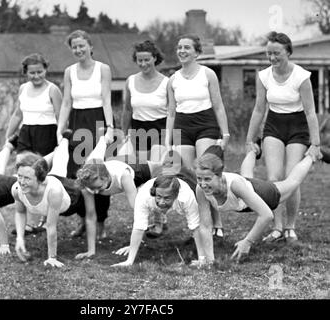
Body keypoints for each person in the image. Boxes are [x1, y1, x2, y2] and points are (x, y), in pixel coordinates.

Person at [245, 31, 322, 243]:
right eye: (268, 53)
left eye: (276, 53)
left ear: (288, 51)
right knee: (274, 178)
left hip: (298, 127)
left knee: (291, 178)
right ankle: (277, 227)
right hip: (274, 126)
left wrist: (315, 144)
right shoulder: (263, 76)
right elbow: (259, 110)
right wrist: (250, 139)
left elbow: (310, 112)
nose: (272, 58)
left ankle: (290, 226)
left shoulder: (301, 76)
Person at [195, 144, 330, 265]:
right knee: (246, 175)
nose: (202, 184)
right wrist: (209, 261)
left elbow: (266, 215)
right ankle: (255, 148)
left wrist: (248, 241)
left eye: (207, 179)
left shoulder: (235, 186)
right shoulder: (201, 188)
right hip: (246, 190)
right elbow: (205, 226)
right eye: (199, 178)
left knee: (292, 183)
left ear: (219, 175)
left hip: (263, 194)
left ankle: (314, 155)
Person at [56, 30, 114, 236]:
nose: (78, 50)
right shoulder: (69, 71)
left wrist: (110, 128)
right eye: (74, 47)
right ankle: (83, 221)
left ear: (90, 46)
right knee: (77, 174)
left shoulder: (103, 69)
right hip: (77, 122)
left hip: (99, 122)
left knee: (98, 172)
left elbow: (107, 99)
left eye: (82, 45)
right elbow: (66, 103)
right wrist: (60, 128)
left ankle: (100, 223)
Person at [12, 136, 99, 267]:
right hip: (52, 181)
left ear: (40, 179)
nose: (22, 182)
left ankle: (71, 142)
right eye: (20, 176)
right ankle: (64, 140)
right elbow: (19, 212)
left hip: (71, 195)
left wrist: (52, 257)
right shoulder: (17, 189)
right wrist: (20, 238)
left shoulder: (54, 191)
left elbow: (51, 226)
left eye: (27, 178)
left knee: (71, 176)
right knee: (59, 166)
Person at [5, 53, 62, 231]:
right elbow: (17, 114)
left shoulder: (53, 89)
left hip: (47, 133)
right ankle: (28, 221)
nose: (36, 76)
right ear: (26, 73)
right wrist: (8, 135)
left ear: (46, 70)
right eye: (32, 73)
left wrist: (61, 139)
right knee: (22, 176)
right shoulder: (23, 88)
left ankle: (45, 220)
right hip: (26, 133)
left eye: (40, 72)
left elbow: (61, 116)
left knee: (42, 176)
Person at [165, 34, 230, 169]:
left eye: (187, 47)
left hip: (206, 124)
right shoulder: (172, 79)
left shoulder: (208, 74)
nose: (182, 51)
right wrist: (167, 141)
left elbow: (218, 106)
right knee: (186, 172)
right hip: (181, 126)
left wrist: (225, 134)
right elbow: (171, 113)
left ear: (197, 53)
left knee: (204, 167)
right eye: (179, 47)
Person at [111, 174, 203, 267]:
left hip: (187, 188)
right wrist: (129, 261)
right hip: (151, 197)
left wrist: (201, 259)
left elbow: (195, 226)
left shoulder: (186, 197)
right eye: (159, 197)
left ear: (176, 196)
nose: (161, 202)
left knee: (200, 219)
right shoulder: (144, 196)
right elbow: (139, 226)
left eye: (166, 198)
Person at [122, 40, 168, 162]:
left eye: (147, 60)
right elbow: (127, 110)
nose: (143, 64)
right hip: (139, 130)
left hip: (160, 130)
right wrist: (124, 134)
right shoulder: (130, 81)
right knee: (142, 170)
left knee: (154, 165)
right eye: (140, 60)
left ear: (155, 58)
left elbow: (174, 112)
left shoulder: (166, 83)